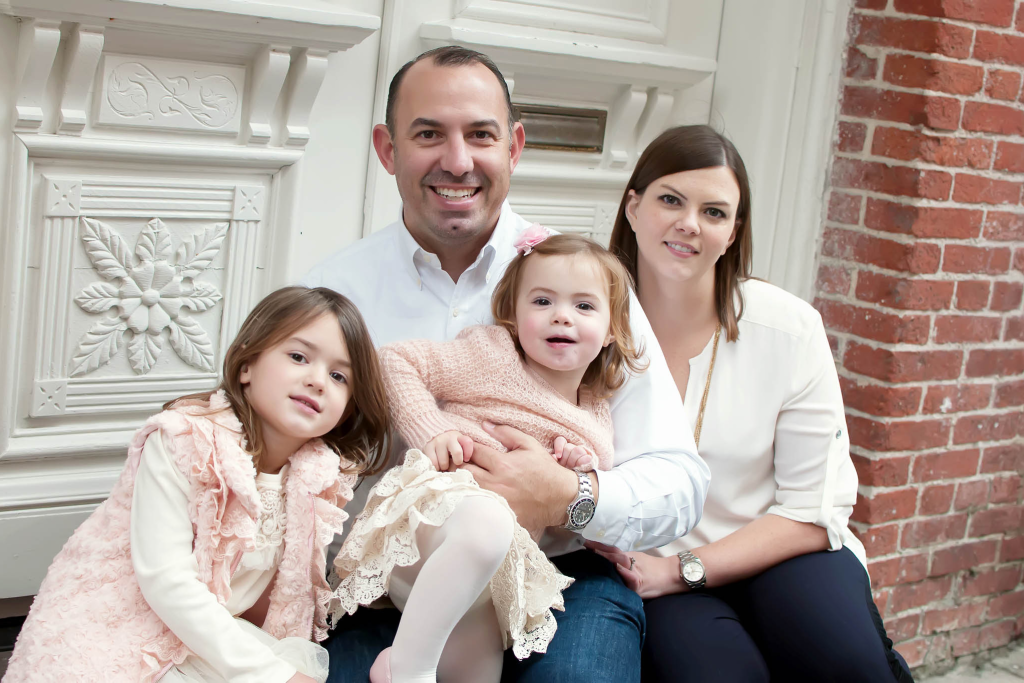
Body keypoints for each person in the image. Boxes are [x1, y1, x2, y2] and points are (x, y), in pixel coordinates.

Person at [303, 46, 710, 683]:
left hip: (565, 575)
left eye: (481, 135)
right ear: (387, 149)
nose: (458, 161)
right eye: (429, 133)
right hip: (385, 576)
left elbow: (681, 483)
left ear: (514, 146)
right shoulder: (334, 291)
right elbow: (268, 443)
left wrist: (570, 496)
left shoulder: (587, 290)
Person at [588, 124, 914, 682]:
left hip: (782, 554)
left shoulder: (787, 328)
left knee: (850, 667)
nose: (689, 223)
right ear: (633, 206)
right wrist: (660, 571)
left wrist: (683, 569)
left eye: (714, 212)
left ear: (733, 232)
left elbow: (814, 509)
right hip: (646, 569)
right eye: (671, 200)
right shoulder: (583, 325)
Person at [5, 287, 392, 683]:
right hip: (132, 628)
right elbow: (166, 581)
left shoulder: (315, 476)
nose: (317, 381)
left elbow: (277, 604)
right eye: (298, 357)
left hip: (214, 634)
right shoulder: (184, 441)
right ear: (247, 364)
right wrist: (275, 675)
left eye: (339, 376)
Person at [331, 231, 646, 683]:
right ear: (513, 317)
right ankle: (405, 667)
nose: (562, 317)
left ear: (613, 329)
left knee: (477, 674)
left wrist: (577, 467)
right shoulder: (492, 354)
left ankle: (408, 667)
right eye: (542, 302)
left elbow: (563, 506)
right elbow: (395, 362)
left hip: (489, 579)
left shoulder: (595, 410)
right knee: (487, 522)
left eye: (584, 306)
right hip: (429, 530)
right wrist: (434, 429)